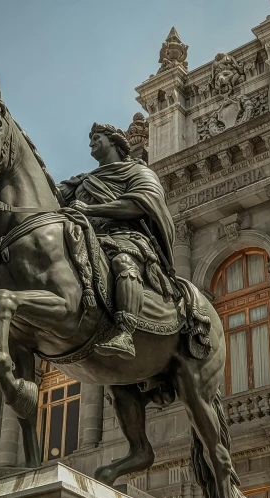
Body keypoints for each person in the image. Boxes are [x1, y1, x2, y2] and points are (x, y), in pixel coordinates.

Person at [59, 123, 176, 360]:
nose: (91, 140)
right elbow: (49, 197)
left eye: (97, 136)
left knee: (124, 262)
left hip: (126, 237)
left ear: (114, 141)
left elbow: (139, 204)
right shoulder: (81, 182)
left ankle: (125, 331)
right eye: (90, 136)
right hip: (87, 239)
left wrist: (90, 210)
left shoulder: (138, 172)